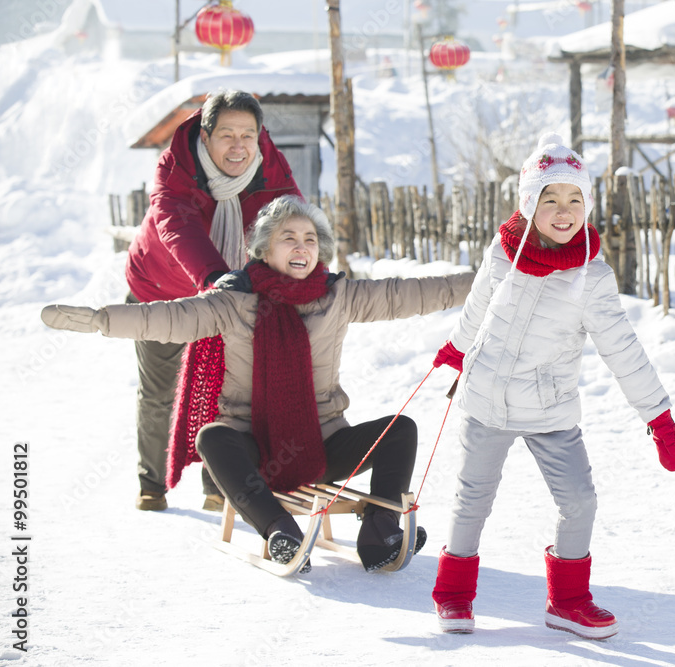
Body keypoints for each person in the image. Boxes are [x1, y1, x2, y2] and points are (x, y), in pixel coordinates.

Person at [42, 195, 475, 573]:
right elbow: (167, 317)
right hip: (254, 449)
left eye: (310, 239)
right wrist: (102, 319)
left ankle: (380, 532)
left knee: (401, 429)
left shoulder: (338, 296)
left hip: (323, 443)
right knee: (213, 436)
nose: (301, 246)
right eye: (289, 237)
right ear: (264, 248)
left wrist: (485, 282)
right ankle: (280, 532)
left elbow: (414, 293)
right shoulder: (232, 301)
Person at [428, 133, 675, 639]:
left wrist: (658, 418)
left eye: (574, 199)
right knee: (472, 499)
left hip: (550, 410)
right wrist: (456, 349)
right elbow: (478, 306)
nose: (563, 210)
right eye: (549, 199)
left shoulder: (591, 277)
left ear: (587, 207)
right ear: (529, 205)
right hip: (486, 400)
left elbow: (624, 350)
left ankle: (568, 600)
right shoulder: (502, 253)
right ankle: (454, 594)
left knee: (580, 500)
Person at [125, 90, 303, 512]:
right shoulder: (177, 168)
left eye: (248, 134)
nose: (239, 146)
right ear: (205, 137)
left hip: (231, 295)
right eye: (227, 135)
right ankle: (152, 482)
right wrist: (214, 278)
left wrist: (307, 270)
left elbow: (293, 220)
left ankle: (215, 483)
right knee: (161, 392)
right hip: (162, 292)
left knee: (226, 393)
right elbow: (177, 227)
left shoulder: (268, 165)